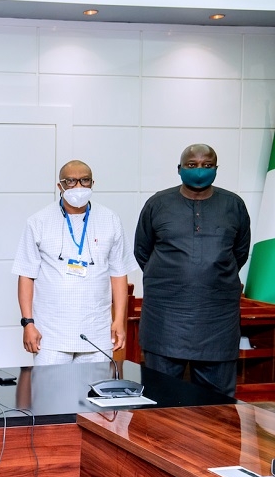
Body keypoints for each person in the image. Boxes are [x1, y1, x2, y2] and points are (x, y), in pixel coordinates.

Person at [135, 144, 251, 397]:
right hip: (165, 319)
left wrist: (209, 275)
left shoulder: (233, 205)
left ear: (216, 169)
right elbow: (142, 252)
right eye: (192, 165)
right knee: (160, 400)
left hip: (217, 320)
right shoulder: (158, 203)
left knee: (218, 406)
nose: (199, 171)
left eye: (207, 165)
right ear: (179, 169)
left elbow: (239, 253)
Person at [13, 160, 138, 364]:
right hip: (50, 334)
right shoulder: (39, 221)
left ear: (92, 183)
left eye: (84, 180)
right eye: (71, 181)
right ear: (59, 186)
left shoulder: (110, 219)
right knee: (49, 395)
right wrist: (28, 323)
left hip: (97, 332)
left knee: (93, 394)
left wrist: (119, 321)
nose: (78, 187)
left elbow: (119, 273)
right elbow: (26, 274)